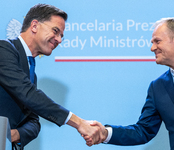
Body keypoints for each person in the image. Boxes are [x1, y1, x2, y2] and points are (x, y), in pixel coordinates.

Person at [84, 17, 174, 150]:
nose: (152, 48)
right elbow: (143, 131)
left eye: (157, 41)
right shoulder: (158, 87)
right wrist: (105, 133)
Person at [0, 4, 100, 150]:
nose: (59, 40)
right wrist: (78, 123)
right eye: (55, 31)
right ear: (34, 26)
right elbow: (28, 94)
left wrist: (14, 134)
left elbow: (33, 121)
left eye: (61, 36)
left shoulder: (31, 73)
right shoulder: (4, 50)